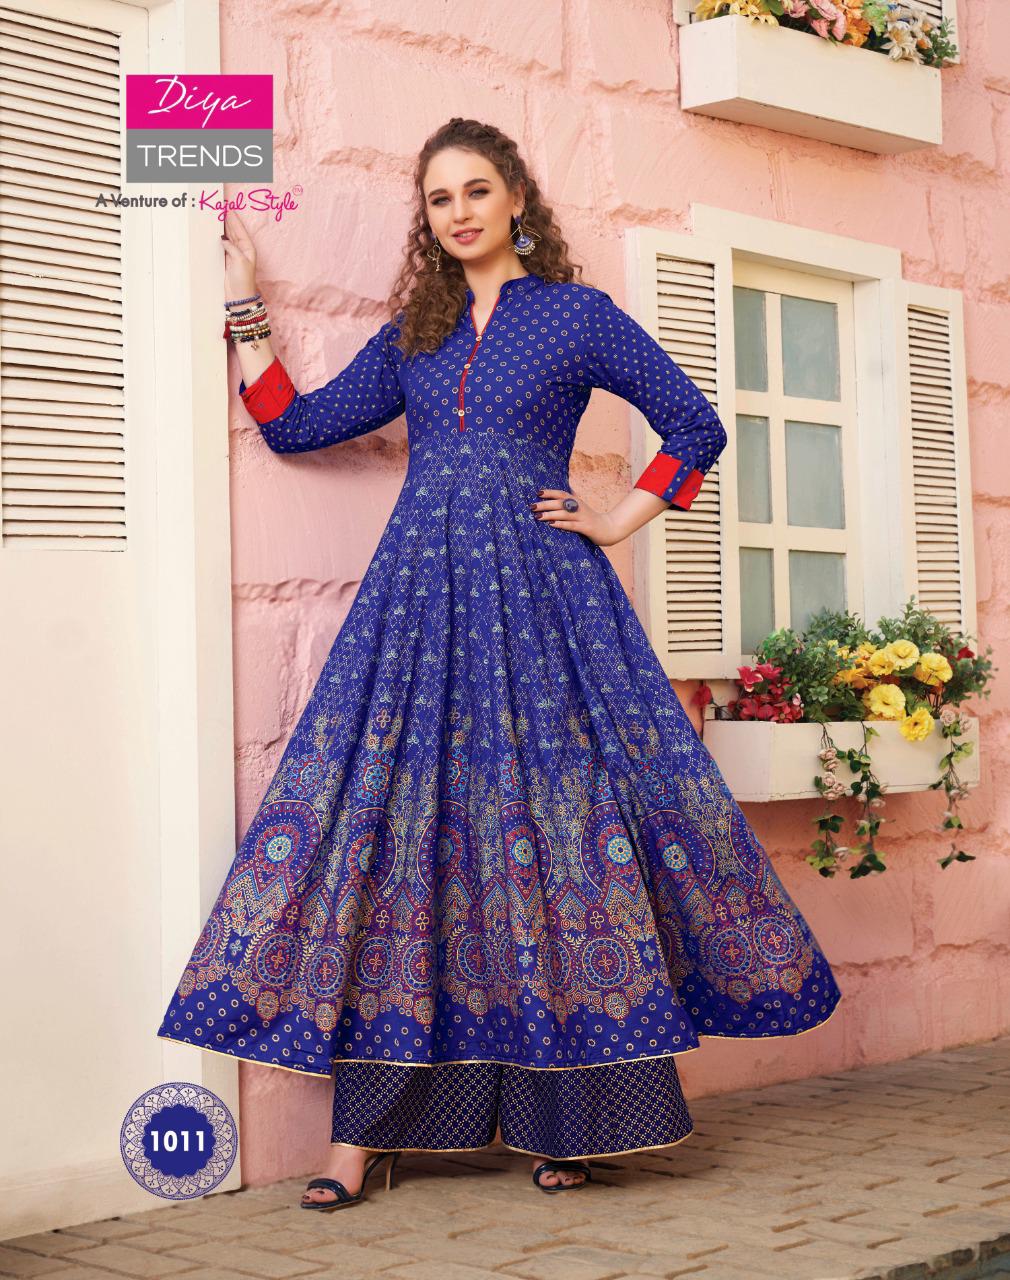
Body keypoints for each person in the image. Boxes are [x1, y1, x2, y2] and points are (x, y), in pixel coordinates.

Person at [158, 116, 842, 1207]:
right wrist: (245, 307)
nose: (460, 212)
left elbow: (694, 424)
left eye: (476, 189)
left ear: (516, 196)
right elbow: (297, 426)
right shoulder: (417, 334)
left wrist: (615, 519)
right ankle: (363, 1135)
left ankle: (571, 1118)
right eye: (440, 198)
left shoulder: (576, 316)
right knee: (400, 840)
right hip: (420, 606)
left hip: (545, 606)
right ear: (426, 219)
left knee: (562, 837)